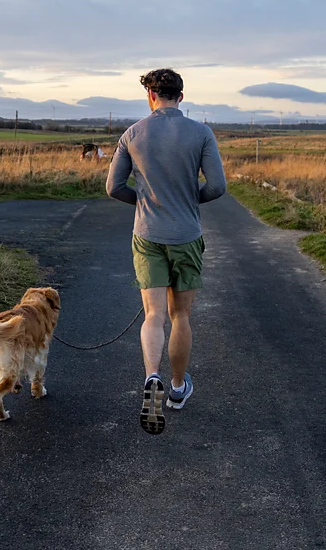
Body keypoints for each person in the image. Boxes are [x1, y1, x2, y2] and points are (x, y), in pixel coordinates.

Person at [106, 68, 227, 435]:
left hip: (147, 235)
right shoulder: (201, 133)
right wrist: (191, 200)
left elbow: (113, 187)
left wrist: (142, 201)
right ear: (181, 96)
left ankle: (151, 378)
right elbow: (218, 186)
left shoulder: (133, 133)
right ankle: (176, 389)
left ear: (150, 96)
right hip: (186, 234)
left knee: (154, 314)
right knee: (181, 317)